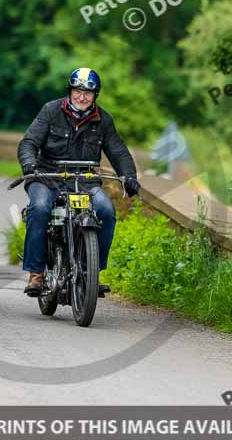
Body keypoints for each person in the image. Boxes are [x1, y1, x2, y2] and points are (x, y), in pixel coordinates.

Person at [17, 67, 141, 297]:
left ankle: (92, 272)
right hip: (47, 177)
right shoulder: (51, 111)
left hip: (84, 181)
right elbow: (28, 143)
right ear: (70, 91)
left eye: (88, 92)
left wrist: (129, 176)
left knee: (105, 209)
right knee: (41, 207)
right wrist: (30, 166)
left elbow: (119, 152)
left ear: (96, 95)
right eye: (77, 90)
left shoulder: (103, 120)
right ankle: (36, 274)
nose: (81, 96)